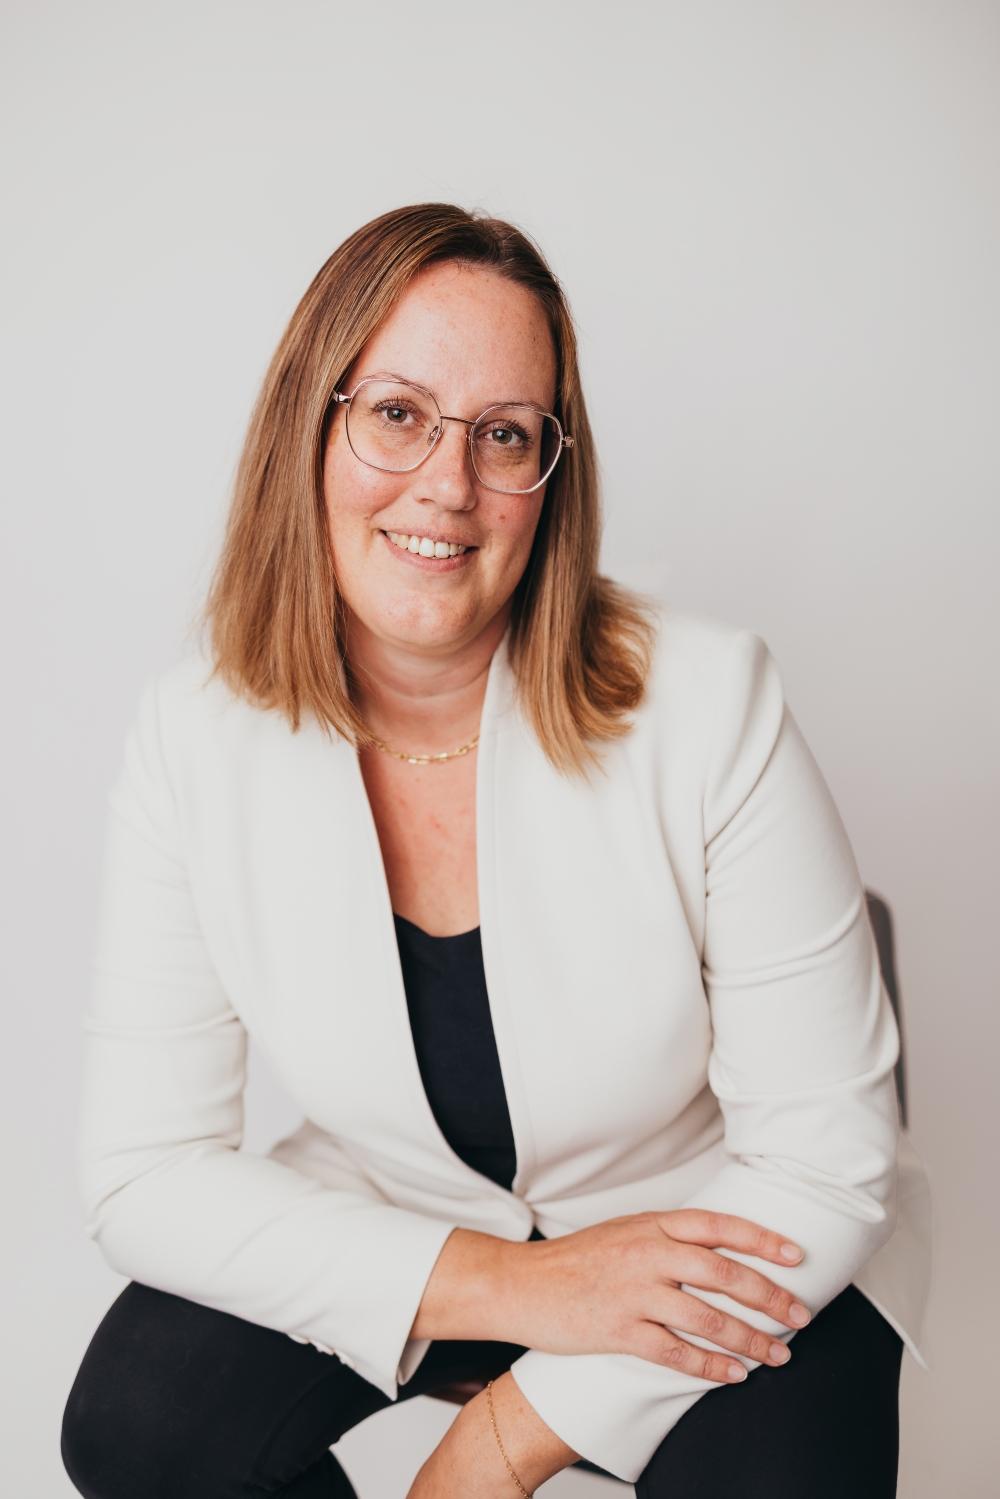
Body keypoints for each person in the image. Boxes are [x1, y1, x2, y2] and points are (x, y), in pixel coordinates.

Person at [60, 202, 932, 1498]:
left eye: (505, 435)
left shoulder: (709, 700)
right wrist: (508, 1289)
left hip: (707, 1228)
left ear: (549, 478)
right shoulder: (195, 738)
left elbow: (826, 1154)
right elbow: (142, 1172)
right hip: (409, 1223)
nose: (449, 486)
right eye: (399, 413)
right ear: (311, 422)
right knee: (137, 1428)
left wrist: (499, 1440)